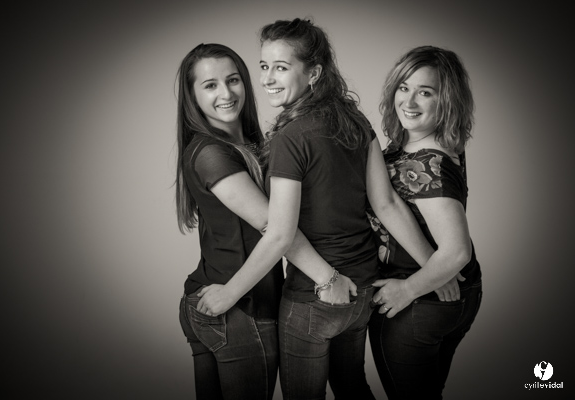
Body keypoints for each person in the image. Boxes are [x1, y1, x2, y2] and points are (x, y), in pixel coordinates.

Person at [244, 19, 436, 399]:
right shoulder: (355, 120)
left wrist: (229, 293)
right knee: (353, 388)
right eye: (264, 66)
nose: (266, 78)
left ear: (314, 73)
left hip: (315, 295)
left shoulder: (290, 138)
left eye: (281, 67)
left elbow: (280, 234)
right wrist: (435, 269)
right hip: (362, 291)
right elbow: (386, 204)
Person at [175, 43, 356, 400]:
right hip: (237, 306)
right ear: (192, 96)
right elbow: (273, 228)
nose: (226, 93)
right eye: (210, 85)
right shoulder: (211, 153)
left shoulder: (249, 144)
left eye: (233, 80)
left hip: (218, 300)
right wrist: (328, 278)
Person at [368, 45, 483, 399]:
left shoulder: (427, 163)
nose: (409, 101)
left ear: (446, 101)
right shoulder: (434, 144)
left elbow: (457, 251)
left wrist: (408, 289)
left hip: (418, 302)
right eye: (404, 88)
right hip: (454, 295)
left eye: (425, 92)